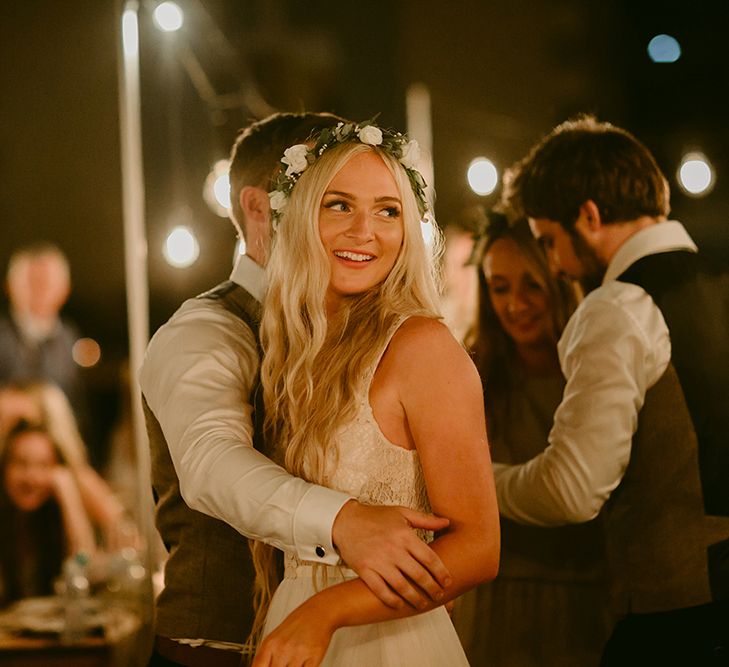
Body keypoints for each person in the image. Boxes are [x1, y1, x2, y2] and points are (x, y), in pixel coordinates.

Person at [140, 113, 456, 667]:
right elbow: (211, 463)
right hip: (219, 648)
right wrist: (343, 521)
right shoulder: (206, 330)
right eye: (326, 198)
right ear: (259, 207)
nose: (350, 224)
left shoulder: (378, 333)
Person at [250, 120, 499, 667]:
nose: (365, 230)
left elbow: (479, 548)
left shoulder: (422, 347)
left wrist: (325, 612)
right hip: (296, 630)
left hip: (384, 641)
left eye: (388, 211)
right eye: (339, 205)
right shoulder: (300, 351)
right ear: (300, 218)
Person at [493, 115, 729, 664]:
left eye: (549, 241)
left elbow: (573, 489)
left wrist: (479, 480)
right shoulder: (721, 284)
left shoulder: (617, 307)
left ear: (590, 216)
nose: (553, 264)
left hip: (676, 623)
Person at [454, 211, 611, 666]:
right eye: (499, 288)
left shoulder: (594, 371)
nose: (515, 304)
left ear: (558, 281)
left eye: (532, 285)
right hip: (494, 602)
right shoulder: (474, 374)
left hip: (585, 600)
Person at [0, 381, 130, 550]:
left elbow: (123, 531)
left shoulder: (75, 476)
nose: (5, 431)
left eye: (19, 422)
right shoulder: (10, 474)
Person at [0, 244, 90, 446]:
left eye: (47, 283)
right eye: (32, 282)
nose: (39, 291)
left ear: (64, 289)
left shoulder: (68, 338)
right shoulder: (3, 337)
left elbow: (76, 404)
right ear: (11, 286)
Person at [0, 421, 96, 607]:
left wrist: (69, 497)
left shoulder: (55, 518)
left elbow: (84, 567)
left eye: (43, 465)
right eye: (21, 463)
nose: (31, 477)